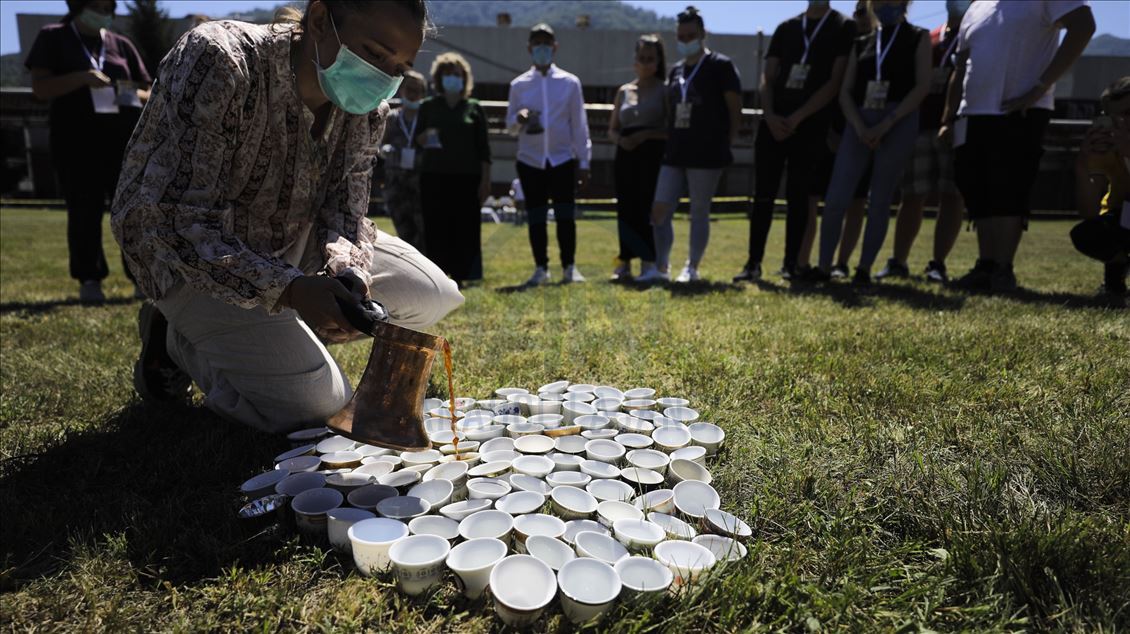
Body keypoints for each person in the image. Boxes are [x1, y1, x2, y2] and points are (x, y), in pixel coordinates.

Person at [111, 0, 464, 432]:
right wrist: (292, 290)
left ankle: (266, 338)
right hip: (186, 259)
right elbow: (175, 219)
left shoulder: (369, 110)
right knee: (318, 408)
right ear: (319, 20)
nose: (383, 77)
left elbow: (346, 208)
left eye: (399, 68)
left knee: (433, 293)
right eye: (374, 54)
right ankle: (175, 343)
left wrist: (347, 273)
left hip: (292, 237)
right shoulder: (221, 60)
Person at [944, 0, 1094, 293]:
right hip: (972, 114)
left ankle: (1003, 267)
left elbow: (1084, 26)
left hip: (1019, 110)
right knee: (977, 188)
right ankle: (985, 265)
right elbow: (961, 66)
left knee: (1009, 188)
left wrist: (1039, 87)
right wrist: (948, 117)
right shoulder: (976, 7)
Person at [25, 0, 151, 303]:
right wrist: (81, 78)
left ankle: (143, 279)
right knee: (84, 210)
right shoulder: (53, 36)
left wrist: (131, 92)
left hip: (123, 142)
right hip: (76, 142)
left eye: (108, 6)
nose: (103, 12)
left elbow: (150, 90)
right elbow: (41, 89)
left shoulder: (120, 43)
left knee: (133, 212)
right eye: (96, 5)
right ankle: (90, 278)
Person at [734, 0, 853, 283]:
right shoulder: (787, 27)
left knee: (799, 196)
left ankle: (792, 264)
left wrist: (798, 118)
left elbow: (834, 82)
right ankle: (753, 263)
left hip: (810, 125)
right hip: (774, 123)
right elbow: (768, 77)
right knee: (763, 194)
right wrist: (771, 115)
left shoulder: (842, 26)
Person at [814, 0, 931, 285]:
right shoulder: (863, 42)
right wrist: (859, 125)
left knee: (879, 199)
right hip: (860, 123)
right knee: (836, 199)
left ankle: (864, 269)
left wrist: (888, 123)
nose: (883, 6)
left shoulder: (918, 37)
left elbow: (922, 86)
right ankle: (823, 267)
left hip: (898, 122)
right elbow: (845, 92)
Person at [874, 0, 969, 283]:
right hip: (921, 125)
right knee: (912, 194)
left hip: (957, 125)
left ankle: (937, 263)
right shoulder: (929, 37)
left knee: (952, 195)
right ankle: (897, 261)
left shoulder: (976, 35)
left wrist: (950, 119)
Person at [651, 6, 742, 283]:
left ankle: (692, 267)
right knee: (660, 208)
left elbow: (734, 108)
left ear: (703, 34)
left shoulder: (720, 66)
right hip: (676, 148)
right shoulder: (676, 69)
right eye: (681, 35)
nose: (685, 40)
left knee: (699, 211)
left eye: (691, 35)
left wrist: (728, 140)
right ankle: (661, 266)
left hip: (707, 150)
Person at [505, 23, 592, 286]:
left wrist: (584, 161)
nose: (542, 48)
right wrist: (518, 119)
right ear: (530, 48)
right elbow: (510, 127)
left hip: (561, 158)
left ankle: (569, 267)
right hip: (530, 160)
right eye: (537, 43)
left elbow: (579, 124)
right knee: (536, 217)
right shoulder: (519, 85)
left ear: (554, 48)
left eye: (547, 43)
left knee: (565, 215)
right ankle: (541, 267)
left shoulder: (569, 83)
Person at [415, 52, 492, 286]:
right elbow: (416, 139)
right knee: (436, 226)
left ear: (464, 78)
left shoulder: (474, 108)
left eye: (456, 74)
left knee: (465, 227)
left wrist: (486, 182)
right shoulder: (428, 106)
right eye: (447, 74)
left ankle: (464, 274)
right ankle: (437, 274)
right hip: (434, 175)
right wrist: (424, 137)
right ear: (439, 78)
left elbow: (484, 149)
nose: (452, 78)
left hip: (467, 178)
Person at [609, 34, 668, 283]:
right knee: (626, 208)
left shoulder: (664, 91)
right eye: (641, 58)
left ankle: (650, 262)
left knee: (647, 207)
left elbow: (670, 127)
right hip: (626, 156)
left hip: (651, 155)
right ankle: (624, 261)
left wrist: (646, 135)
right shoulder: (624, 91)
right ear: (635, 60)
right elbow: (613, 128)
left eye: (650, 59)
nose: (645, 63)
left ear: (658, 62)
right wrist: (621, 140)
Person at [1071, 77, 1130, 303]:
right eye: (1116, 117)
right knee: (1089, 234)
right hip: (1124, 218)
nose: (1123, 122)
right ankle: (1116, 274)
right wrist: (1083, 166)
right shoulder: (1111, 147)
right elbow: (1089, 213)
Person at [380, 69, 427, 253]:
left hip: (420, 183)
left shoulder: (426, 118)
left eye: (417, 90)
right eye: (409, 89)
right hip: (396, 183)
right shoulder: (392, 118)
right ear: (401, 90)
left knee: (423, 231)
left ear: (423, 93)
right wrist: (384, 151)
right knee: (404, 231)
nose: (413, 94)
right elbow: (379, 146)